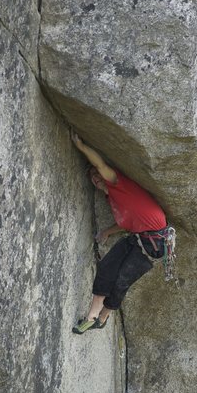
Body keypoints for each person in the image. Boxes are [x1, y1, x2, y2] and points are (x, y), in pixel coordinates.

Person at [71, 132, 168, 335]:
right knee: (106, 268)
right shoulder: (113, 201)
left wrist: (81, 147)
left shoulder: (118, 184)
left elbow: (101, 166)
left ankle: (103, 316)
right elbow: (127, 223)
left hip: (154, 243)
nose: (96, 179)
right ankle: (91, 317)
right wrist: (107, 232)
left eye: (97, 176)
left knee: (121, 280)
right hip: (138, 238)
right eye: (93, 180)